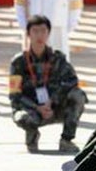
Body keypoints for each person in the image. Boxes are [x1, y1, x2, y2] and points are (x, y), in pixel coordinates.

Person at [8, 14, 85, 154]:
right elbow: (15, 95)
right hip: (32, 110)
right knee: (21, 117)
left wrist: (52, 101)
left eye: (43, 31)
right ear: (28, 34)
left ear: (48, 33)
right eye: (35, 31)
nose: (39, 35)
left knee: (78, 95)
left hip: (55, 107)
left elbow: (72, 80)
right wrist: (37, 107)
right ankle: (32, 135)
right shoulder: (18, 62)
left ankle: (66, 140)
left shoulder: (57, 58)